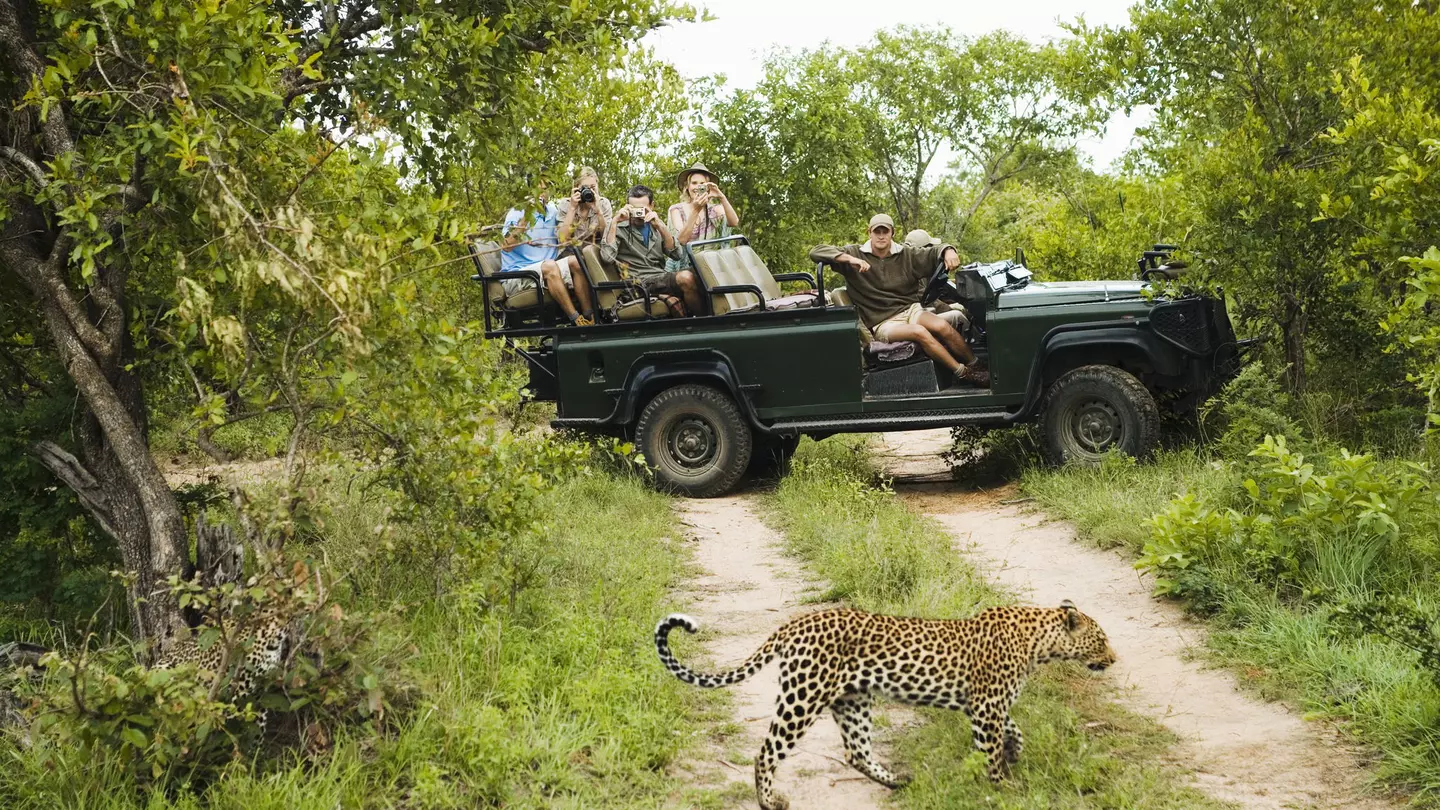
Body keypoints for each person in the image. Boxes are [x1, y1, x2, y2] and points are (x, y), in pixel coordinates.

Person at [810, 215, 990, 387]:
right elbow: (816, 251)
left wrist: (948, 250)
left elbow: (932, 252)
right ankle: (963, 373)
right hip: (884, 323)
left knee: (942, 327)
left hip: (910, 310)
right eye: (877, 231)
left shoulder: (905, 254)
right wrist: (849, 259)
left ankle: (976, 364)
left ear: (892, 233)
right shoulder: (856, 253)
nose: (881, 236)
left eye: (885, 231)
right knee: (920, 332)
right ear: (869, 233)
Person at [601, 184, 704, 315]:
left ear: (652, 206)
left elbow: (677, 254)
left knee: (701, 272)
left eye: (643, 209)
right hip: (637, 284)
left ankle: (718, 315)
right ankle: (701, 323)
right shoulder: (617, 227)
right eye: (634, 209)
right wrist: (615, 221)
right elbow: (607, 257)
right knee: (685, 278)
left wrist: (660, 226)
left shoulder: (655, 225)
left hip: (660, 278)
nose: (638, 214)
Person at [500, 189, 595, 326]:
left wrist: (574, 207)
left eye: (544, 189)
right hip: (518, 274)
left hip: (548, 269)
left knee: (576, 261)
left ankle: (590, 317)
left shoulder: (552, 211)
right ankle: (576, 320)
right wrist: (527, 215)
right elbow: (506, 246)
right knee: (549, 266)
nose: (541, 193)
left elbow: (563, 239)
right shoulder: (517, 212)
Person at [666, 162, 741, 270]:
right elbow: (681, 240)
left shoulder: (715, 209)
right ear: (687, 186)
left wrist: (721, 197)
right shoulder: (676, 209)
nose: (698, 187)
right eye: (694, 183)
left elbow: (734, 222)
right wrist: (696, 209)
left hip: (710, 264)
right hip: (684, 266)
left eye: (702, 184)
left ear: (708, 187)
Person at [556, 166, 612, 248]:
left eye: (593, 187)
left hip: (594, 251)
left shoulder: (604, 204)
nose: (589, 191)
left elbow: (607, 239)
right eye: (584, 188)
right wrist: (572, 208)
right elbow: (562, 240)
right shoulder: (566, 204)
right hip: (571, 251)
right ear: (576, 188)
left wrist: (598, 211)